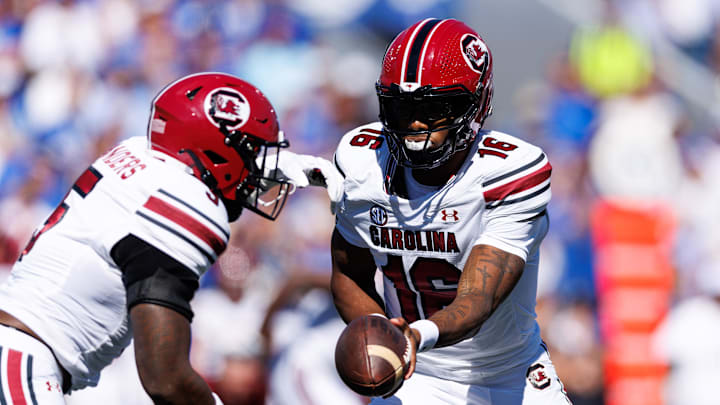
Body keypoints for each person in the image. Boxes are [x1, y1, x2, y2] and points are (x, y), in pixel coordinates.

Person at [0, 72, 341, 404]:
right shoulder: (188, 204)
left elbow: (199, 152)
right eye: (252, 151)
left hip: (21, 352)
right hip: (25, 362)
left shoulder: (139, 155)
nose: (256, 171)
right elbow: (166, 379)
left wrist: (304, 167)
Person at [330, 18, 572, 404]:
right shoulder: (362, 162)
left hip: (510, 374)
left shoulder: (509, 171)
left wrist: (413, 337)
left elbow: (478, 298)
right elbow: (349, 273)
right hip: (418, 376)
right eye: (401, 107)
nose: (414, 125)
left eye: (435, 109)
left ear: (476, 104)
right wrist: (381, 337)